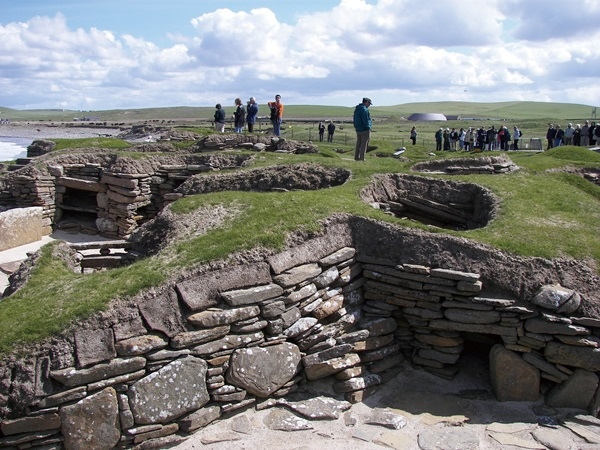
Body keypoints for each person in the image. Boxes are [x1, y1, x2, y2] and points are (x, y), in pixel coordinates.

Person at [353, 97, 372, 161]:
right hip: (364, 129)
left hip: (358, 129)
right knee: (364, 144)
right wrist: (368, 127)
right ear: (366, 102)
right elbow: (366, 120)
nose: (369, 105)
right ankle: (362, 158)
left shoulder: (357, 109)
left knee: (358, 143)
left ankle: (356, 157)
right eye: (369, 103)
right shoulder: (365, 110)